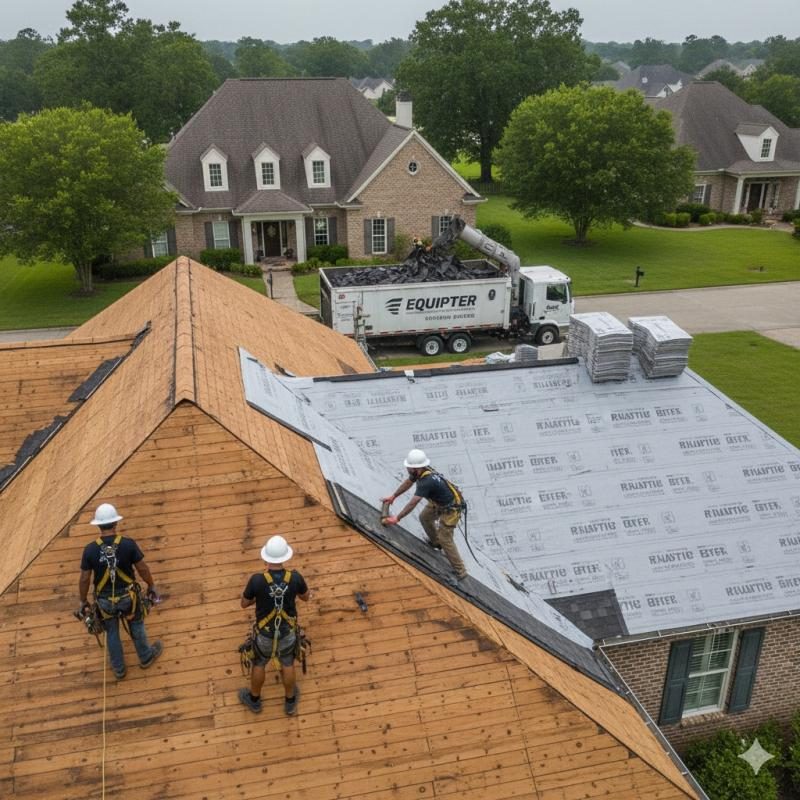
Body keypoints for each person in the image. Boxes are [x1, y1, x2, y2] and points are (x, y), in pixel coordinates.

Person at [78, 503, 162, 679]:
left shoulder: (90, 550)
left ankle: (119, 669)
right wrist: (151, 585)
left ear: (99, 526)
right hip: (128, 598)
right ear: (115, 524)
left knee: (112, 632)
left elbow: (85, 578)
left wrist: (83, 600)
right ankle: (145, 657)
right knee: (136, 624)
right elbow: (142, 568)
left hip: (105, 602)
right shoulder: (128, 545)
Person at [239, 535, 310, 715]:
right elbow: (306, 597)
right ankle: (290, 701)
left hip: (265, 633)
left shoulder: (257, 580)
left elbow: (244, 604)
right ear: (286, 557)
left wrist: (261, 597)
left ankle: (254, 700)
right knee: (287, 663)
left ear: (266, 558)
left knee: (260, 663)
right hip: (288, 632)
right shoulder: (295, 578)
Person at [382, 449, 467, 581]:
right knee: (424, 517)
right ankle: (435, 543)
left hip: (451, 510)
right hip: (439, 503)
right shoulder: (422, 471)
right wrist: (393, 496)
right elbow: (408, 483)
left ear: (416, 468)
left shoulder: (426, 481)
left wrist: (397, 518)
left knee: (446, 539)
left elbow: (413, 503)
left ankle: (460, 571)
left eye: (409, 468)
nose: (408, 471)